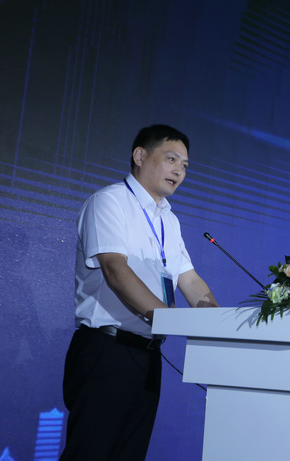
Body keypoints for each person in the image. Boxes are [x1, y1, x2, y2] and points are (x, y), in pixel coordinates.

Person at [60, 124, 219, 460]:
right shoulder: (109, 202)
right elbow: (115, 271)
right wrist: (170, 320)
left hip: (148, 356)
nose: (179, 171)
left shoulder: (168, 220)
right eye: (171, 159)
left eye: (185, 165)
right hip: (107, 351)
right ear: (140, 156)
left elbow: (189, 280)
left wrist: (220, 326)